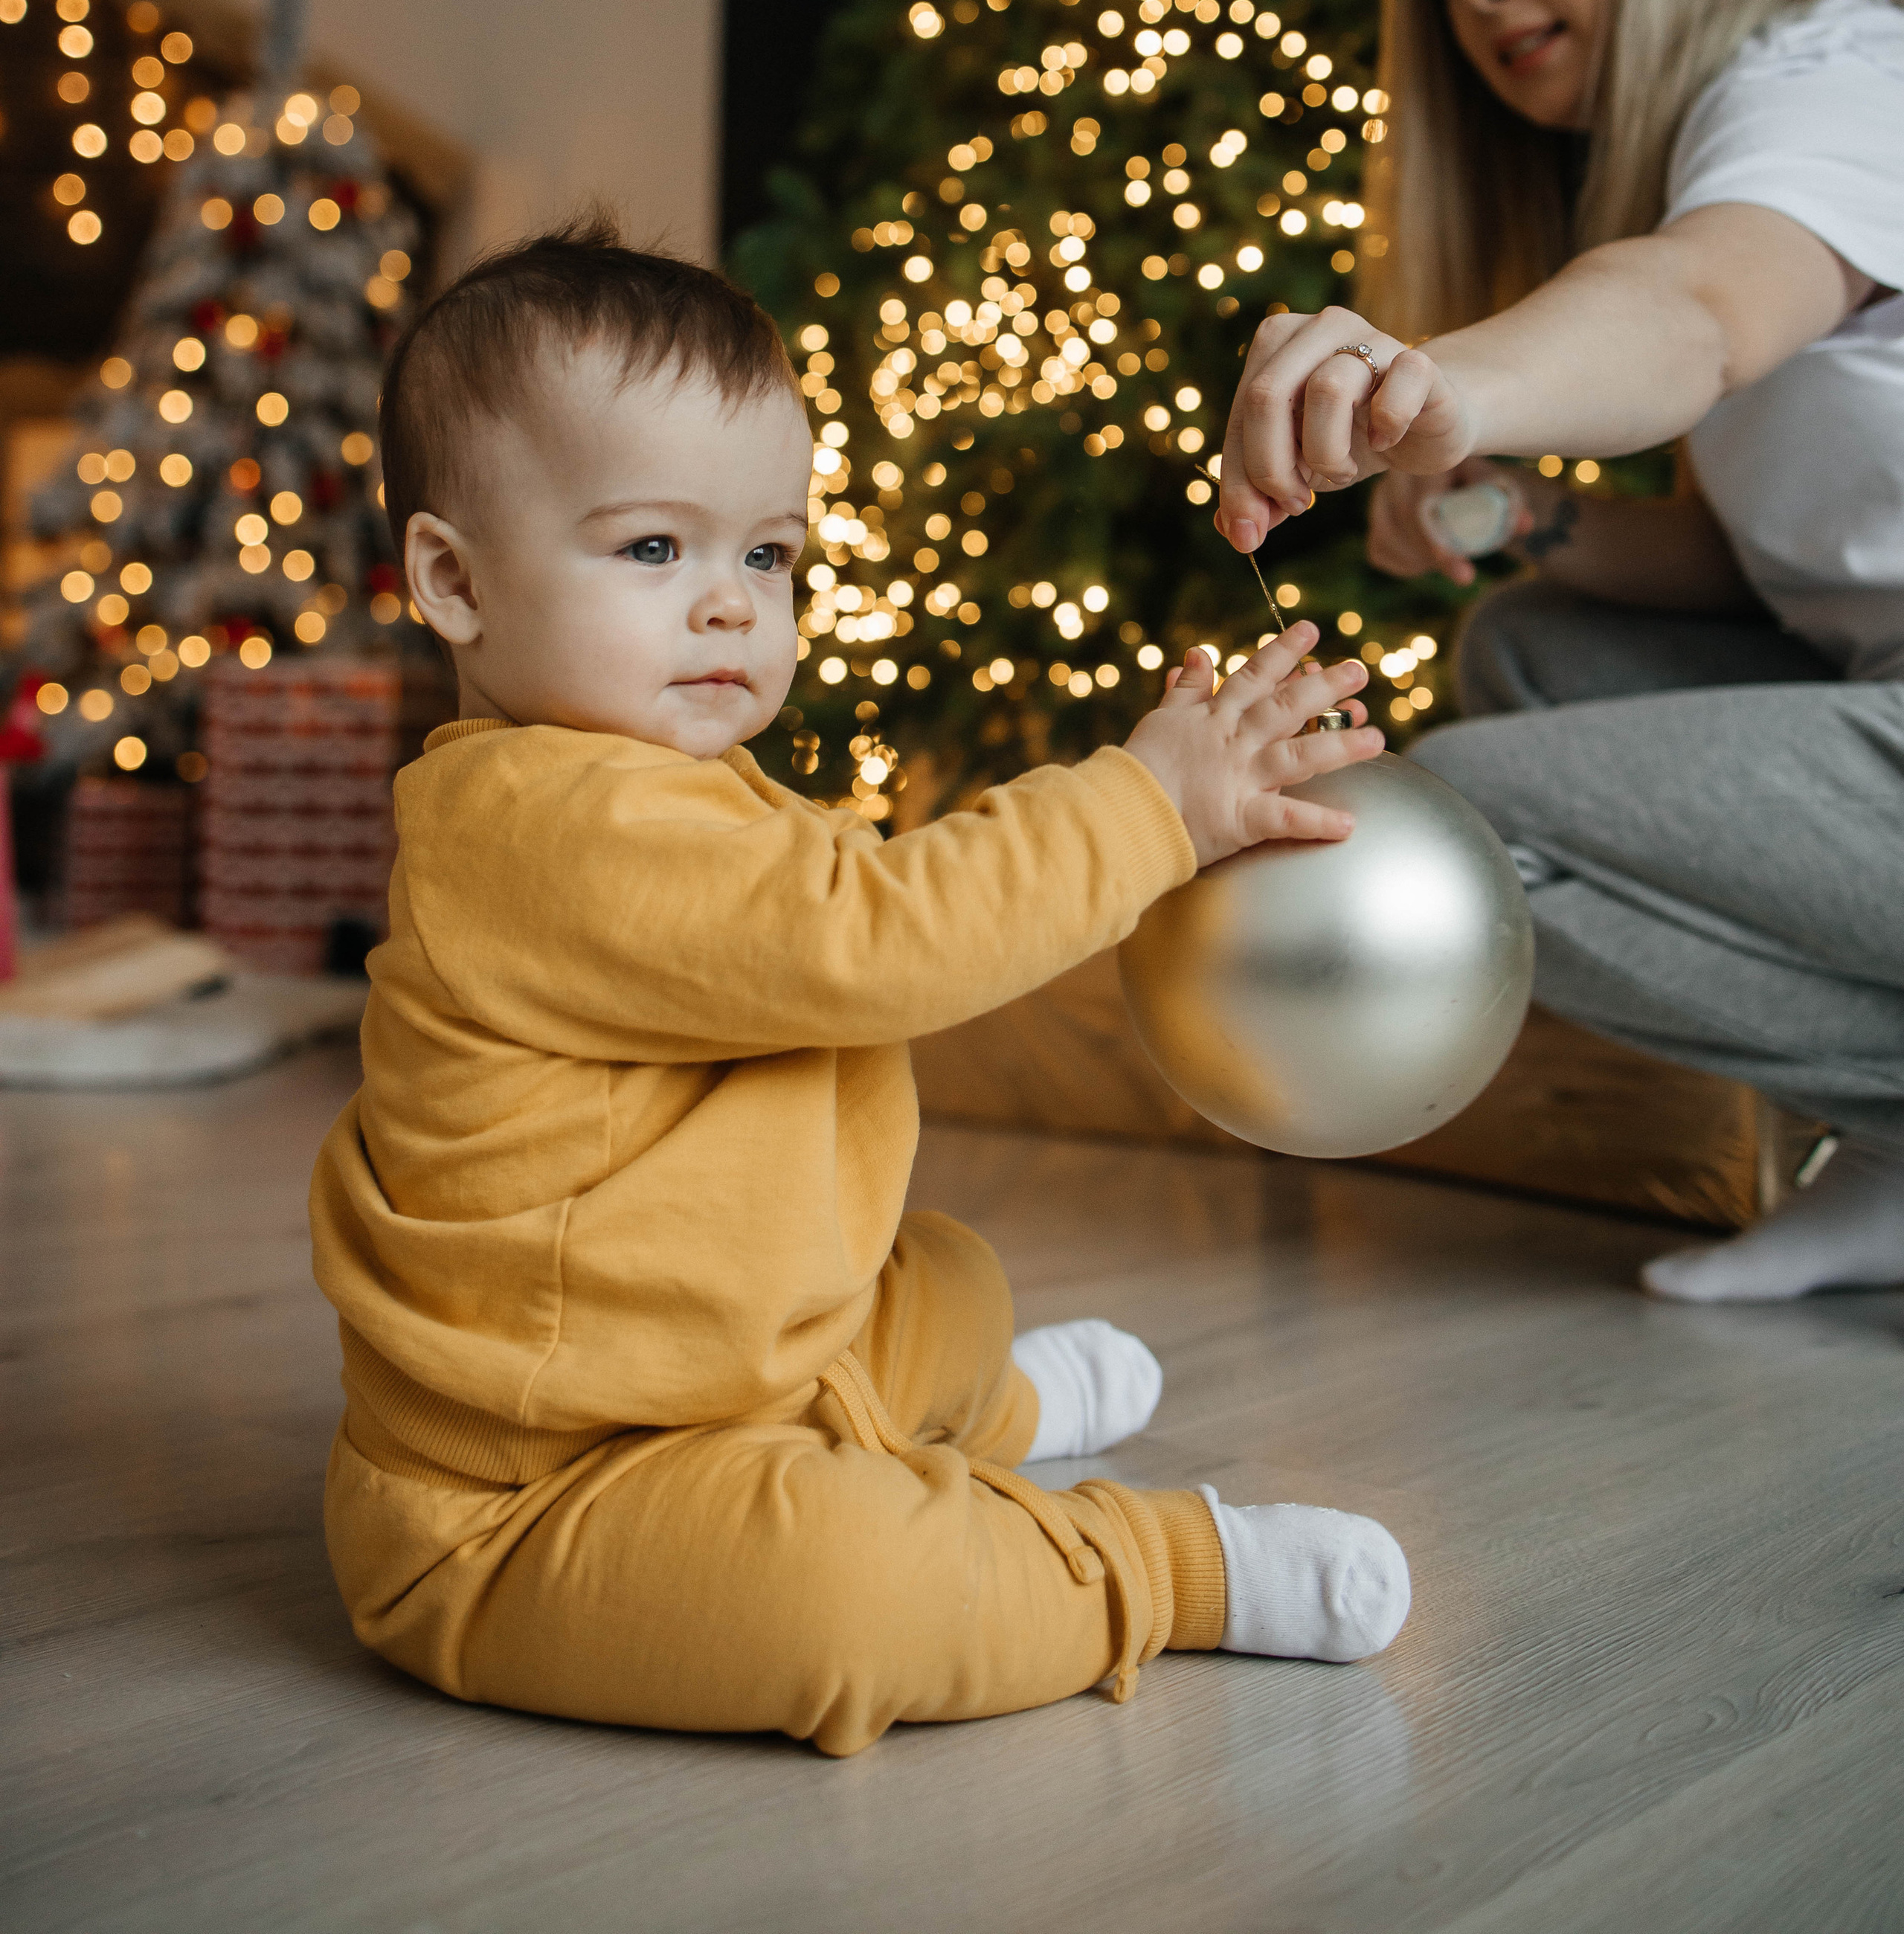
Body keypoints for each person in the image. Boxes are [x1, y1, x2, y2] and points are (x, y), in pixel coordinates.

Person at [310, 221, 1409, 1760]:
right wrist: (1146, 809)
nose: (730, 605)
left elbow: (871, 941)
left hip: (743, 1355)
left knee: (938, 1284)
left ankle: (976, 1413)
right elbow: (875, 940)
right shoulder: (541, 826)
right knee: (848, 1598)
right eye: (654, 549)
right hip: (545, 1487)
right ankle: (1148, 1568)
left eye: (767, 555)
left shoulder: (671, 785)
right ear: (453, 580)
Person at [1215, 0, 1904, 1306]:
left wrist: (1435, 383)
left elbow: (1692, 313)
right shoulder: (1703, 141)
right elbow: (1764, 566)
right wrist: (1521, 520)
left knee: (1460, 831)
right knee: (1526, 650)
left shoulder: (1836, 81)